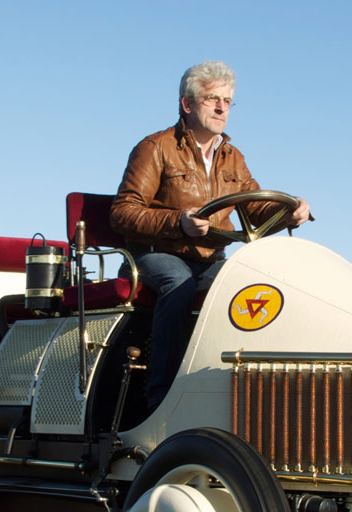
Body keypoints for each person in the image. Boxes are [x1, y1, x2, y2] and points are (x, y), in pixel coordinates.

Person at [110, 60, 311, 410]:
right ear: (187, 104)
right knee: (179, 283)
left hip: (209, 259)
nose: (221, 108)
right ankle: (161, 398)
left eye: (227, 101)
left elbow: (255, 209)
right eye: (212, 99)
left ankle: (242, 392)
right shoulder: (155, 147)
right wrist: (179, 222)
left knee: (256, 286)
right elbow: (123, 212)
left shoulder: (233, 157)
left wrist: (290, 212)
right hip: (155, 255)